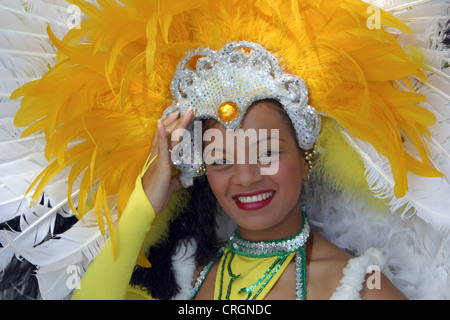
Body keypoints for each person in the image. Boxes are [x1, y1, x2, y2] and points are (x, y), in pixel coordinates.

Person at [70, 43, 406, 299]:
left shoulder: (361, 286)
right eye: (220, 159)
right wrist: (144, 205)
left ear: (306, 158)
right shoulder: (190, 274)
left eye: (268, 152)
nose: (246, 177)